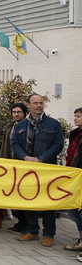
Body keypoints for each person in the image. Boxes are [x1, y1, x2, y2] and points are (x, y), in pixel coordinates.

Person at [12, 94, 64, 247]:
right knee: (29, 200)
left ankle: (48, 234)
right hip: (28, 169)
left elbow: (58, 144)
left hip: (46, 169)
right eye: (35, 103)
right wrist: (25, 157)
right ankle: (32, 230)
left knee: (47, 202)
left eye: (41, 103)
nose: (39, 105)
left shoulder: (53, 124)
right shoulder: (21, 126)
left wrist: (41, 158)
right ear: (28, 105)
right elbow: (15, 143)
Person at [1, 102, 28, 234]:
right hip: (10, 163)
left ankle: (26, 223)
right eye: (14, 112)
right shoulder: (10, 127)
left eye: (19, 112)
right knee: (14, 195)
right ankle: (20, 221)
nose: (16, 114)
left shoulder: (28, 126)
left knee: (23, 195)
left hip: (22, 164)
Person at [63, 108, 82, 252]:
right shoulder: (75, 134)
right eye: (75, 116)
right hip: (74, 176)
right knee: (72, 208)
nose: (75, 119)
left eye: (78, 116)